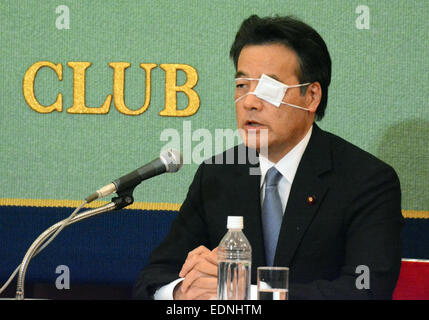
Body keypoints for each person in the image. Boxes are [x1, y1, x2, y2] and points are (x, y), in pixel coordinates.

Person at [133, 14, 403, 300]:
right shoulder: (218, 175)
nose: (249, 102)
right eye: (242, 86)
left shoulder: (366, 181)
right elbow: (153, 279)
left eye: (268, 88)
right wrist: (181, 293)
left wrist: (242, 295)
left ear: (311, 96)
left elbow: (365, 290)